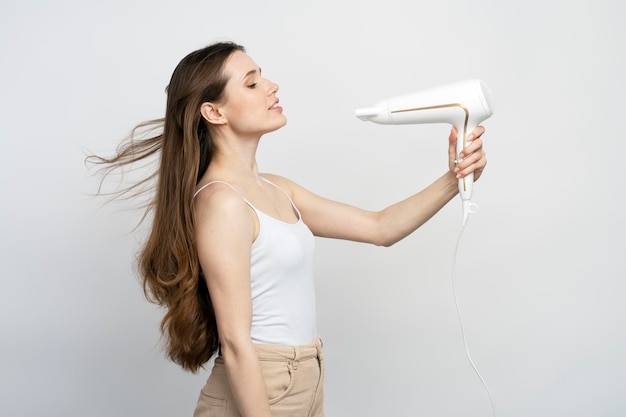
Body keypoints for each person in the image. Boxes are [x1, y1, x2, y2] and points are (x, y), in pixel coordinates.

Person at [89, 41, 487, 417]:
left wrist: (455, 177)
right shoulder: (222, 203)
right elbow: (235, 341)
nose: (271, 86)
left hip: (305, 374)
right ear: (214, 112)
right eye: (252, 82)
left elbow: (379, 227)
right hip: (261, 383)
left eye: (262, 76)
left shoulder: (277, 188)